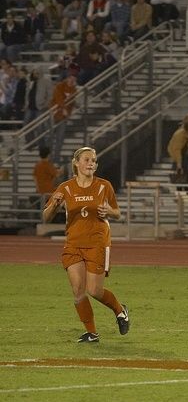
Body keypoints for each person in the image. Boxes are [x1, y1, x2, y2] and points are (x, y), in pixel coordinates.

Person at [41, 147, 130, 343]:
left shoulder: (103, 186)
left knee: (94, 291)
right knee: (77, 290)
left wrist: (108, 211)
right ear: (76, 163)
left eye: (94, 160)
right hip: (73, 243)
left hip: (97, 243)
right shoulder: (65, 187)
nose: (91, 163)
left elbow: (117, 213)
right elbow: (46, 217)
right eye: (87, 159)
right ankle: (92, 332)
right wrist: (54, 205)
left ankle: (120, 310)